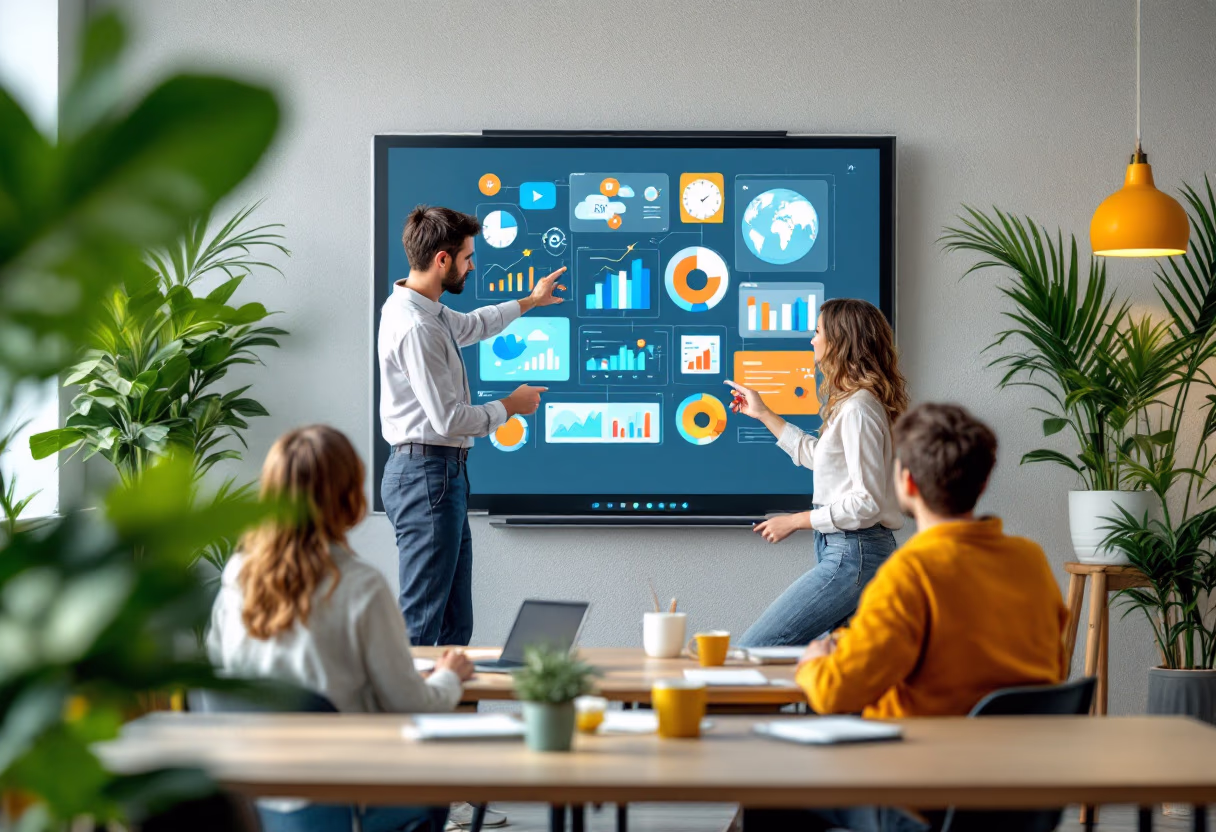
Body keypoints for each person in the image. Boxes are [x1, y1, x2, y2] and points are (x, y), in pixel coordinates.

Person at [745, 403, 1068, 832]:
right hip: (1018, 797)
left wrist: (815, 662)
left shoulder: (910, 573)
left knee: (770, 790)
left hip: (920, 797)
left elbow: (836, 692)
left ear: (906, 482)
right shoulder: (1031, 562)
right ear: (985, 480)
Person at [207, 425, 476, 832]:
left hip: (252, 808)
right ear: (351, 498)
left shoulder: (235, 578)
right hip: (349, 805)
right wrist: (449, 678)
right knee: (439, 781)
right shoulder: (360, 586)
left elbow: (217, 684)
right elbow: (412, 704)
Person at [378, 205, 565, 647]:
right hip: (427, 474)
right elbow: (446, 420)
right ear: (442, 259)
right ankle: (407, 714)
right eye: (466, 257)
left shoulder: (428, 310)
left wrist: (531, 301)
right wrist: (510, 406)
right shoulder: (416, 326)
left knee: (453, 625)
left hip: (440, 474)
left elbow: (476, 325)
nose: (472, 265)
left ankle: (451, 712)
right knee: (424, 624)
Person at [727, 298, 908, 647]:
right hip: (848, 551)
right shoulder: (853, 404)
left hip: (854, 553)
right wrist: (764, 413)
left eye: (817, 331)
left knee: (756, 649)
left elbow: (866, 503)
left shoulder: (858, 409)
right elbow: (819, 458)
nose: (811, 340)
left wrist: (795, 520)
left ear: (841, 341)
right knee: (845, 674)